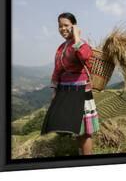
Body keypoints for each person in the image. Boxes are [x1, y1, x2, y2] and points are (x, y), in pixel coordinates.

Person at [40, 12, 100, 155]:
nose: (63, 29)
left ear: (73, 26)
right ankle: (80, 153)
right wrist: (54, 89)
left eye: (66, 25)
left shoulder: (82, 43)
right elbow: (57, 69)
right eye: (60, 26)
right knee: (74, 127)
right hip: (65, 90)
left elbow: (85, 56)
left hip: (80, 90)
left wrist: (77, 36)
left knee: (84, 132)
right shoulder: (61, 47)